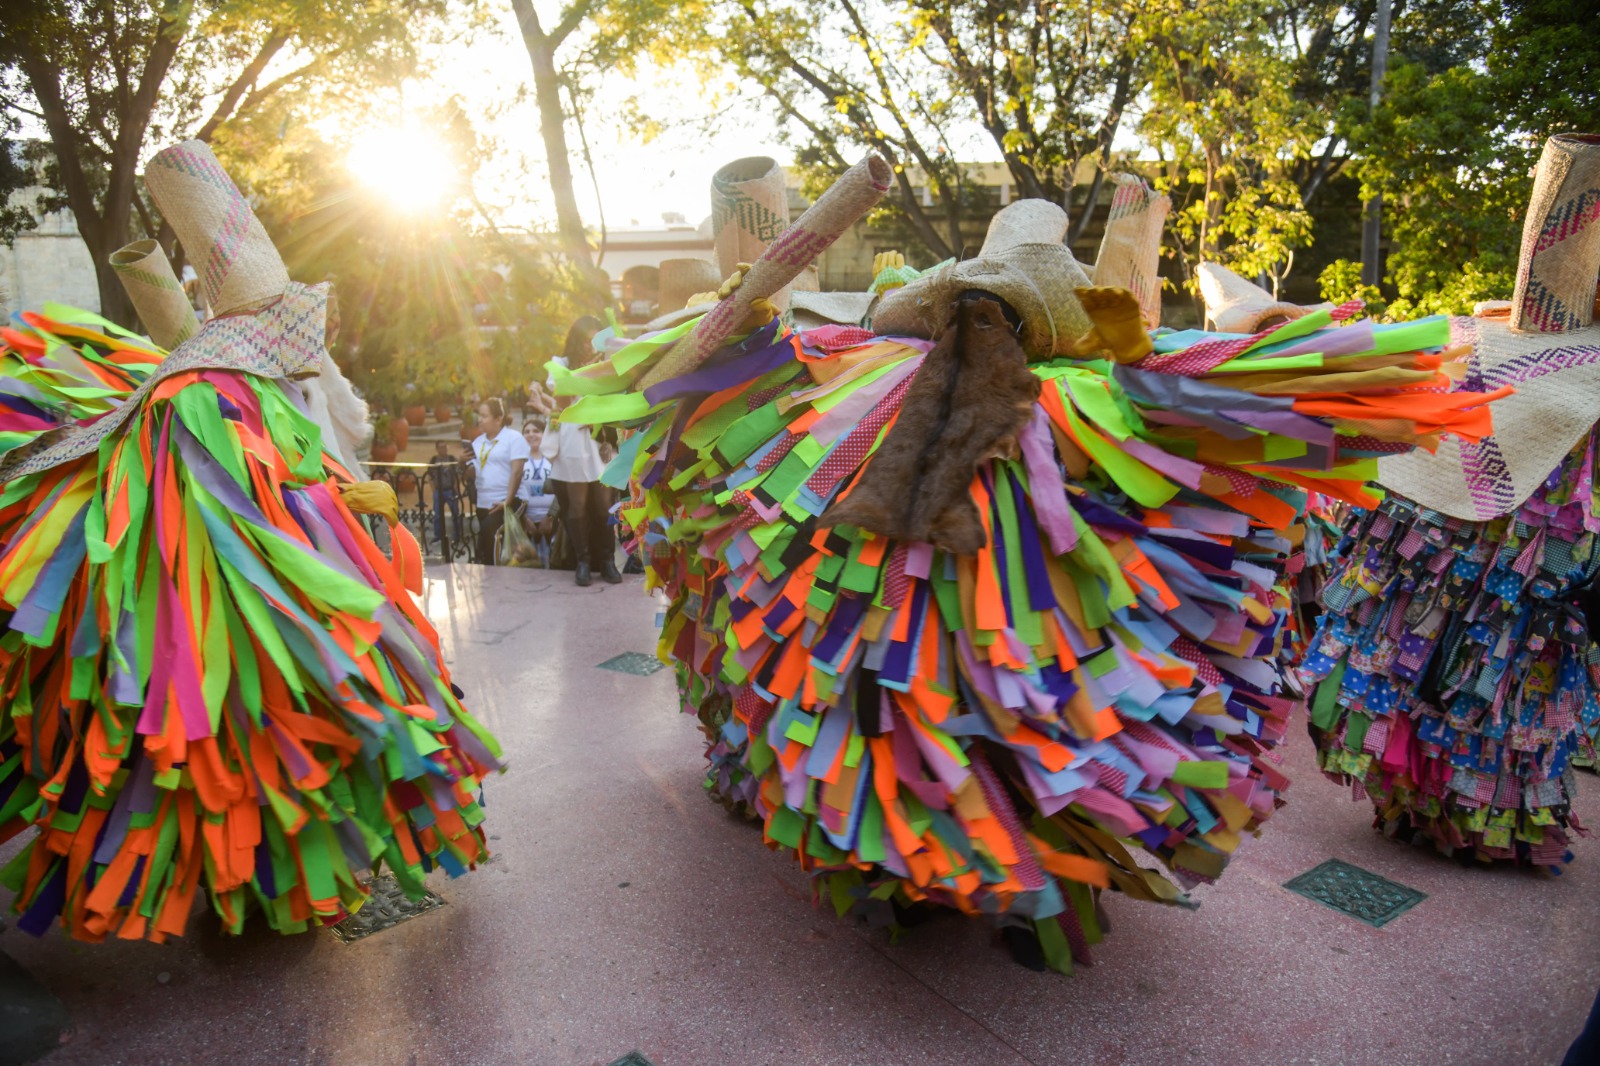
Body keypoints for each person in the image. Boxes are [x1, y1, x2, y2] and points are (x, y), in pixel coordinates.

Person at [540, 316, 619, 587]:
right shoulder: (561, 364)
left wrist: (599, 418)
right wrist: (578, 380)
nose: (589, 345)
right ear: (575, 340)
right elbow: (562, 403)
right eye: (584, 340)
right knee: (577, 505)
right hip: (573, 436)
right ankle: (582, 562)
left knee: (604, 504)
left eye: (594, 340)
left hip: (600, 438)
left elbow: (616, 400)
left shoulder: (608, 363)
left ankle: (607, 561)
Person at [468, 396, 530, 565]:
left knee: (492, 532)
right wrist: (462, 463)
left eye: (484, 415)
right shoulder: (477, 442)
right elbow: (473, 473)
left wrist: (507, 501)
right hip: (484, 502)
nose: (479, 419)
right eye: (478, 415)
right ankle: (491, 579)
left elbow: (517, 472)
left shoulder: (513, 438)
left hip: (510, 500)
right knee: (486, 540)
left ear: (498, 419)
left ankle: (495, 577)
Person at [517, 415, 557, 568]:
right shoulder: (518, 460)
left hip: (552, 521)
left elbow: (561, 488)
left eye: (536, 431)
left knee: (552, 565)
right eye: (526, 431)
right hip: (526, 521)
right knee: (530, 568)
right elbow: (514, 489)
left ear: (544, 434)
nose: (531, 434)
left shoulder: (552, 458)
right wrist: (524, 519)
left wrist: (551, 517)